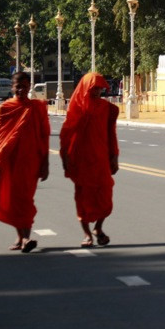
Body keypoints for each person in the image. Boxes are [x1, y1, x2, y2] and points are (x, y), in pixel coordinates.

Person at [0, 71, 50, 253]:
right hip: (10, 162)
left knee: (25, 199)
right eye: (18, 86)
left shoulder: (37, 108)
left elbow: (44, 137)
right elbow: (0, 139)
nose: (21, 89)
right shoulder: (5, 108)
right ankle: (22, 237)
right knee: (12, 199)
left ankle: (26, 237)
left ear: (30, 87)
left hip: (31, 162)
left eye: (25, 86)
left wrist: (45, 163)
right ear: (12, 87)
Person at [61, 73, 120, 248]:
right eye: (93, 88)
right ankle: (87, 234)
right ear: (85, 88)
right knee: (83, 199)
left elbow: (111, 134)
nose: (96, 92)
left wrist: (114, 156)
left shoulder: (107, 109)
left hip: (101, 159)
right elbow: (66, 135)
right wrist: (65, 157)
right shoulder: (76, 109)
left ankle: (98, 228)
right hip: (81, 161)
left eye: (99, 88)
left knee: (105, 196)